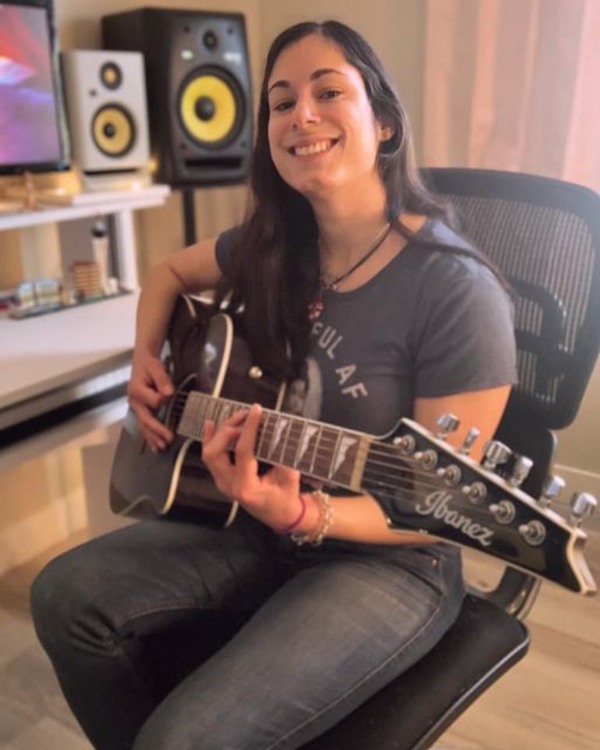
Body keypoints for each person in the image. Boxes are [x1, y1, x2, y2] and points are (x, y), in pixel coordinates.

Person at [30, 19, 517, 750]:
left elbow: (439, 507)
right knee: (63, 596)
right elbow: (165, 273)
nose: (302, 116)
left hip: (389, 559)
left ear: (384, 123)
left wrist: (303, 515)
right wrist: (145, 360)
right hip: (256, 522)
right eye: (282, 102)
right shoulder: (275, 246)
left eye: (329, 92)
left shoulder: (456, 291)